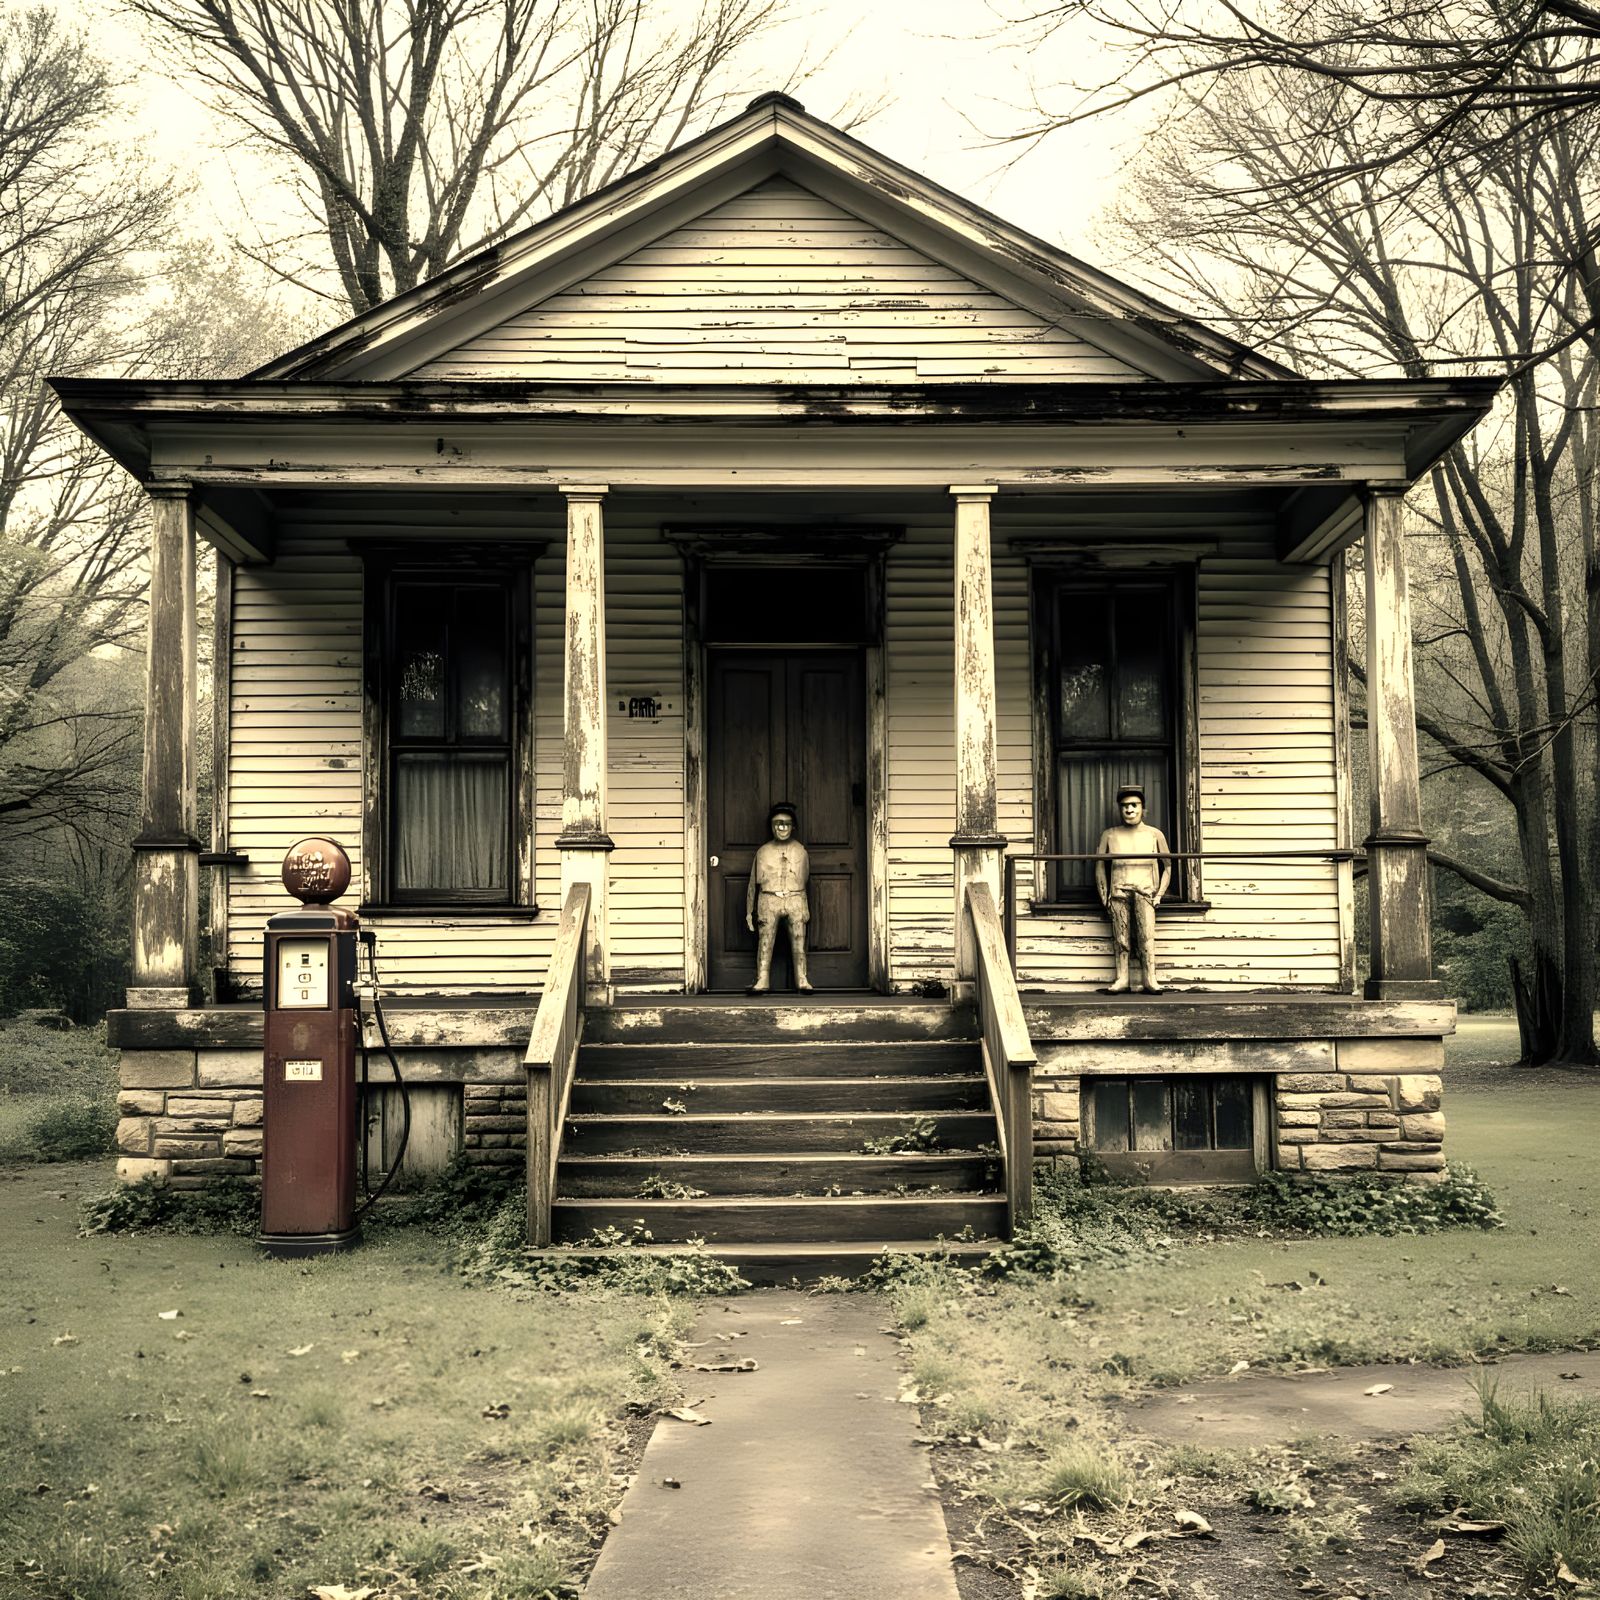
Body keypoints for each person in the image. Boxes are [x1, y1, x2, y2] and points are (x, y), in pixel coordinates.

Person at [1094, 785, 1171, 994]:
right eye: (1125, 806)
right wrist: (1105, 897)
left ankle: (1150, 979)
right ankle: (1122, 978)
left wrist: (1160, 895)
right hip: (1119, 893)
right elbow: (1100, 866)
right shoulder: (1109, 835)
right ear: (1120, 809)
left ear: (1142, 808)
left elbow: (1169, 865)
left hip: (1145, 893)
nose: (1129, 810)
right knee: (1121, 938)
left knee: (1147, 937)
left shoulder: (1155, 835)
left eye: (1134, 805)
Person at [746, 802, 812, 993]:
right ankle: (762, 979)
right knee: (765, 940)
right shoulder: (763, 852)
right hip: (769, 898)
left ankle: (802, 978)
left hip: (795, 897)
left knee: (799, 939)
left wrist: (804, 907)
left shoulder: (800, 851)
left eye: (786, 823)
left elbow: (805, 881)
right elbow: (753, 884)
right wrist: (749, 911)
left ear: (793, 826)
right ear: (772, 826)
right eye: (777, 823)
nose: (782, 827)